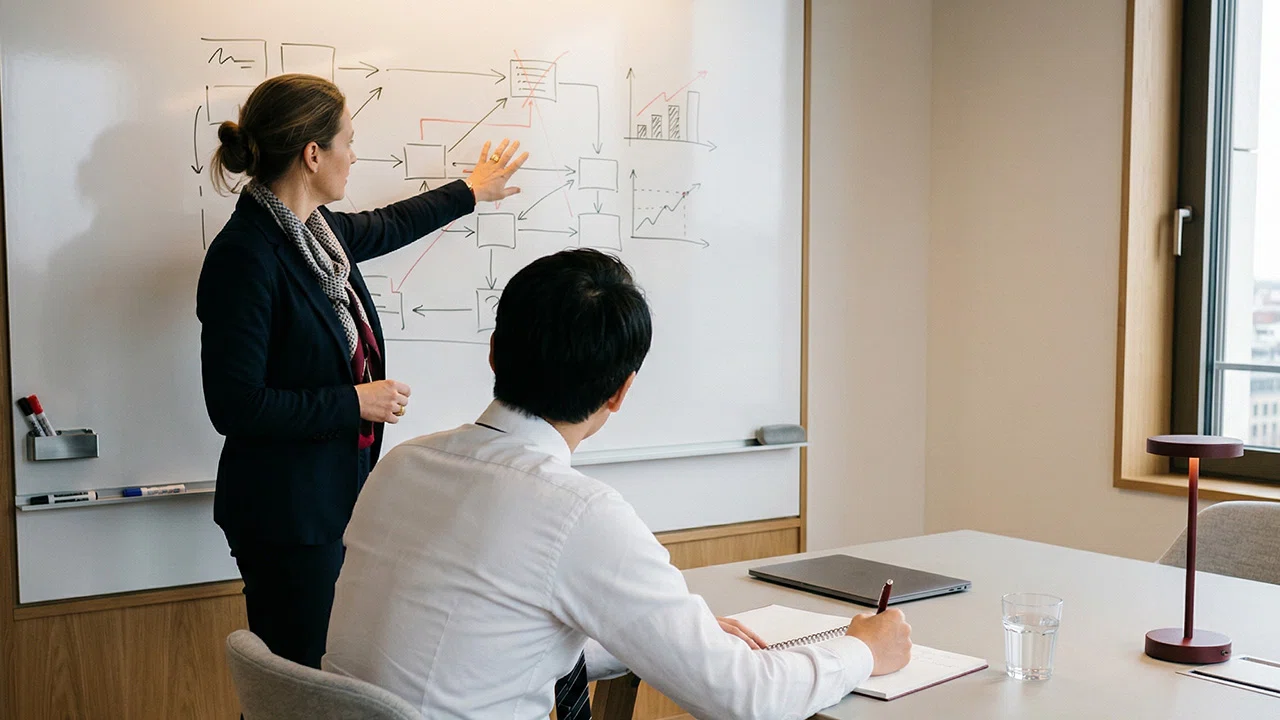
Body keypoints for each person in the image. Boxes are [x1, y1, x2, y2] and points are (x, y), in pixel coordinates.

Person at [323, 249, 913, 719]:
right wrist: (863, 649)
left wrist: (652, 637)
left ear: (495, 353)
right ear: (620, 392)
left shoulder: (403, 464)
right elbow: (743, 699)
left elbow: (485, 640)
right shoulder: (577, 513)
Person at [196, 73, 527, 669]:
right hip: (286, 517)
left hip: (332, 504)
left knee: (325, 674)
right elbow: (235, 405)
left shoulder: (319, 236)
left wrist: (471, 191)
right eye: (348, 141)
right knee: (299, 687)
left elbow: (393, 223)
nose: (355, 155)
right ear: (312, 153)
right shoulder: (246, 254)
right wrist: (355, 402)